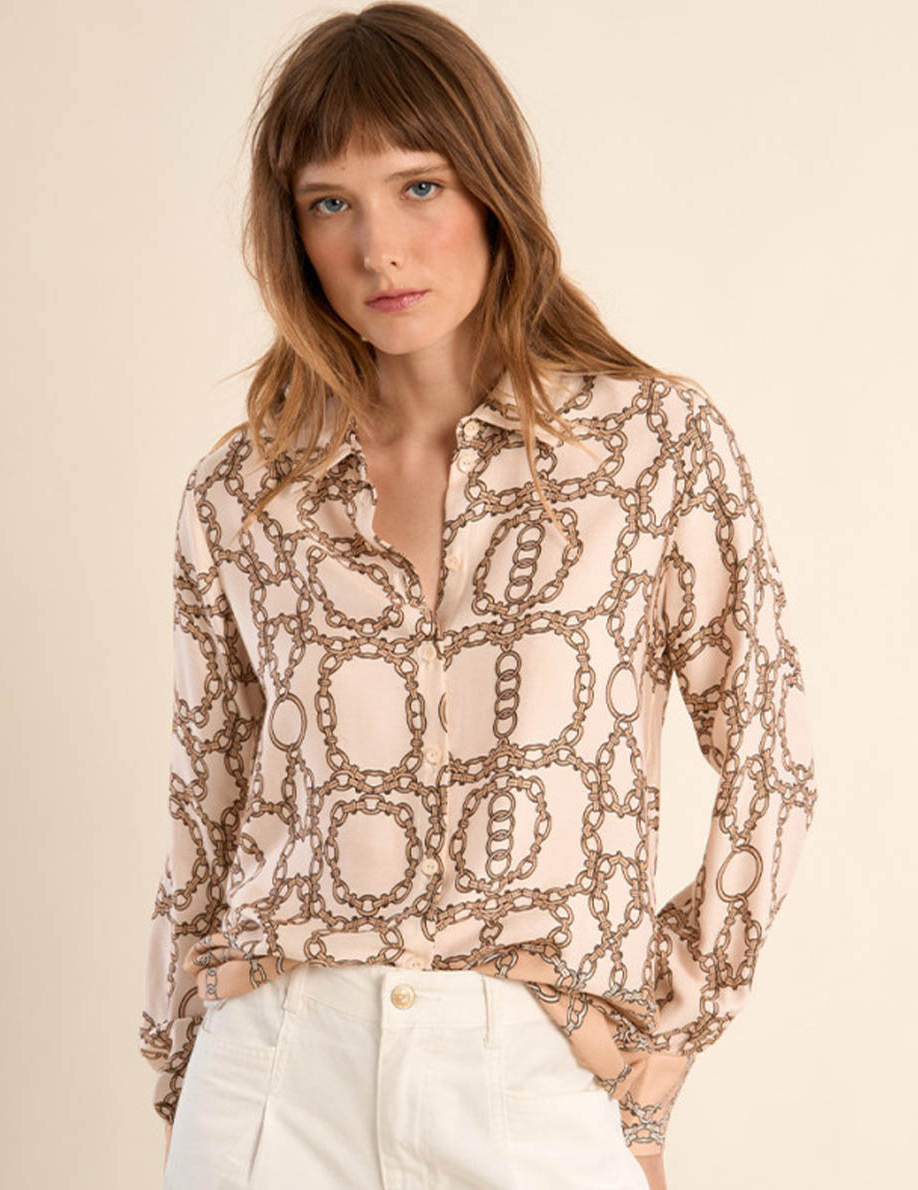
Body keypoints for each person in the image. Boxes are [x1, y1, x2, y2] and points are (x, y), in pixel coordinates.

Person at [138, 4, 818, 1189]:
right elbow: (207, 801)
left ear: (491, 189)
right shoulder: (243, 491)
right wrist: (179, 1069)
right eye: (329, 203)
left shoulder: (648, 446)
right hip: (274, 1066)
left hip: (529, 1071)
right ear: (292, 231)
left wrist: (664, 1036)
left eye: (419, 187)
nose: (378, 249)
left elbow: (772, 753)